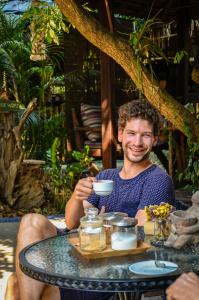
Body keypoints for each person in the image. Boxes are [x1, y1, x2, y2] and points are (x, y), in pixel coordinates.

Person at [6, 99, 175, 300]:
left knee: (20, 285)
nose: (137, 143)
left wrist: (100, 224)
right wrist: (77, 196)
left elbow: (138, 230)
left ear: (154, 139)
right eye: (131, 133)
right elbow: (72, 222)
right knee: (31, 221)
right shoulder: (106, 176)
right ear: (120, 135)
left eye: (145, 135)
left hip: (107, 274)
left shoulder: (157, 180)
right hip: (80, 256)